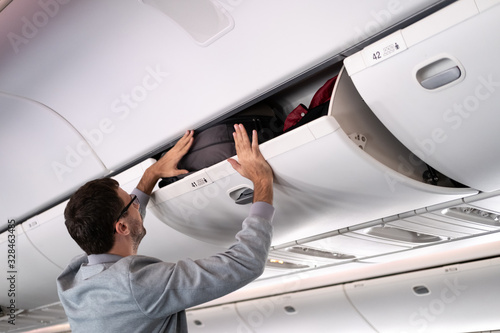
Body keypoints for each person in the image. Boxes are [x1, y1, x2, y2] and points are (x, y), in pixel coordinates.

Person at [56, 124, 274, 332]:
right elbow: (246, 263)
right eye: (132, 202)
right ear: (121, 227)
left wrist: (152, 174)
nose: (137, 203)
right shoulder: (137, 285)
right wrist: (262, 181)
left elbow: (124, 222)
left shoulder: (75, 279)